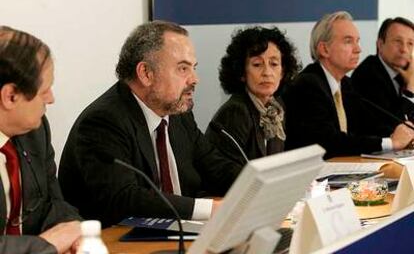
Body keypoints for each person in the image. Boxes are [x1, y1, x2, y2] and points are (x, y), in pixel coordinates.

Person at [58, 21, 243, 228]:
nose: (195, 79)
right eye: (183, 68)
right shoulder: (103, 121)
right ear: (146, 73)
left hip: (177, 235)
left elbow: (215, 167)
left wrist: (260, 186)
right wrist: (209, 210)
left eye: (194, 68)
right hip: (121, 242)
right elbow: (125, 198)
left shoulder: (177, 115)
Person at [282, 11, 414, 159]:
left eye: (357, 41)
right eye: (348, 41)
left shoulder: (345, 84)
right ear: (324, 49)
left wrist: (402, 135)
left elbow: (369, 127)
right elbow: (329, 142)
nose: (358, 49)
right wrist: (390, 143)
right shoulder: (308, 85)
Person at [0, 26, 81, 253]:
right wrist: (46, 245)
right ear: (10, 96)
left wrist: (77, 232)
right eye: (44, 90)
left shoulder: (34, 131)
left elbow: (52, 203)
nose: (51, 98)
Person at [205, 26, 300, 164]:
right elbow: (229, 174)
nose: (267, 72)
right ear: (242, 72)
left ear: (283, 72)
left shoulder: (275, 109)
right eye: (257, 64)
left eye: (274, 64)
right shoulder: (236, 112)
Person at [352, 17, 414, 136]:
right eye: (398, 41)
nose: (404, 49)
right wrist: (410, 89)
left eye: (410, 43)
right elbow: (395, 127)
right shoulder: (368, 75)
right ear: (380, 44)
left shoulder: (404, 73)